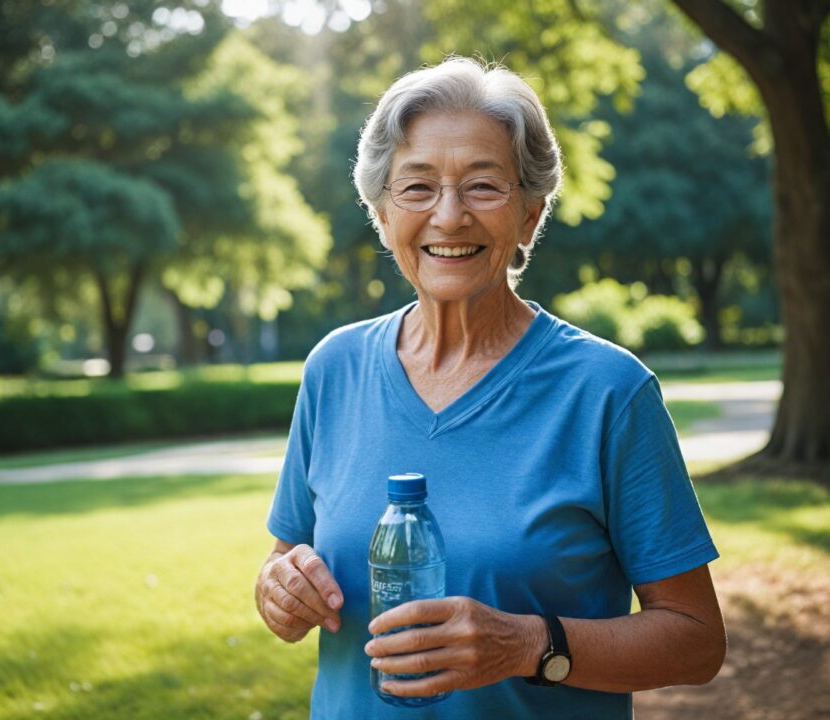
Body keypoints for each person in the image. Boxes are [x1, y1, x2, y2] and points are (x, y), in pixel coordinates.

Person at [255, 56, 726, 719]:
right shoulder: (334, 368)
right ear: (383, 215)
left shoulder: (608, 392)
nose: (449, 217)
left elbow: (697, 642)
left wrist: (529, 644)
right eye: (416, 187)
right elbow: (288, 561)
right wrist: (279, 591)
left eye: (482, 186)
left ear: (531, 214)